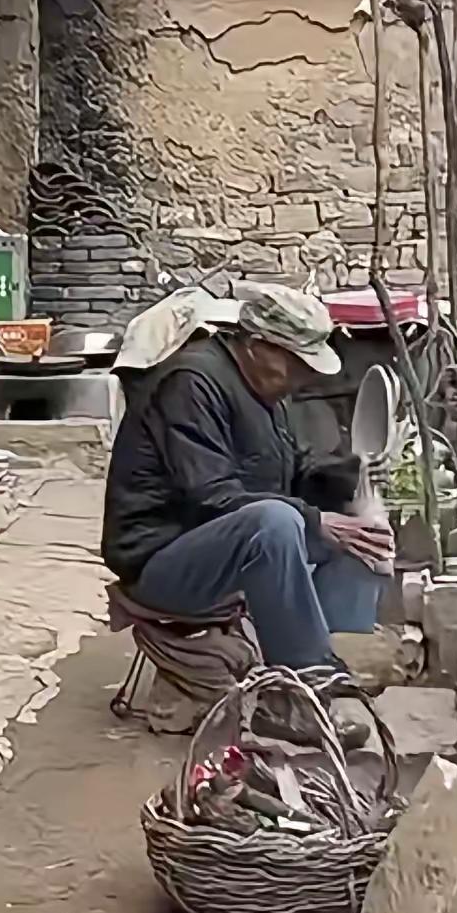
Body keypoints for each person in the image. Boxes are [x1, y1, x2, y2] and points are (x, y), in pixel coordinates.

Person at [102, 282, 393, 672]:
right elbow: (212, 496)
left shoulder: (266, 391)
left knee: (363, 543)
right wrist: (312, 520)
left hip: (227, 547)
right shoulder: (191, 383)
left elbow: (295, 471)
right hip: (160, 561)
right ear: (257, 345)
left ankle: (341, 664)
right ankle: (303, 681)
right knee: (275, 523)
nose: (304, 377)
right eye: (297, 363)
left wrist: (354, 479)